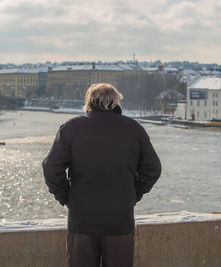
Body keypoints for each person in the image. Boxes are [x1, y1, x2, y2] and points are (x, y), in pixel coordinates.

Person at [42, 83, 161, 267]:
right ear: (116, 101)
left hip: (82, 219)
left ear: (88, 102)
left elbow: (51, 168)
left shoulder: (71, 128)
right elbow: (152, 168)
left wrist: (66, 197)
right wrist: (133, 194)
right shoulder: (134, 129)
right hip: (120, 219)